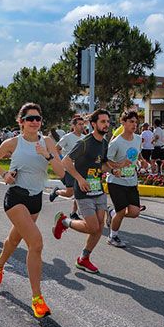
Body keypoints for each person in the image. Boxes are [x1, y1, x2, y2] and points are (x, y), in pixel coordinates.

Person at [0, 102, 64, 318]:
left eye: (38, 118)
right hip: (16, 197)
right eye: (30, 118)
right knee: (36, 243)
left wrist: (47, 155)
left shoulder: (47, 142)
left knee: (14, 241)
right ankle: (37, 298)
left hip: (35, 199)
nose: (35, 122)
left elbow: (61, 171)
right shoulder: (13, 143)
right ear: (20, 122)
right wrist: (4, 174)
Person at [53, 109, 117, 274]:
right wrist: (79, 179)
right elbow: (66, 161)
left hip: (98, 190)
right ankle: (64, 222)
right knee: (92, 227)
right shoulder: (84, 143)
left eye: (108, 122)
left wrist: (112, 168)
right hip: (83, 191)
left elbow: (100, 165)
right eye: (103, 121)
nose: (106, 125)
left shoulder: (104, 142)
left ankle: (83, 258)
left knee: (99, 227)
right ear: (93, 124)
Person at [105, 111, 143, 248]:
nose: (134, 124)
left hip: (132, 181)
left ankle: (112, 212)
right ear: (123, 123)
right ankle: (113, 236)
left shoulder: (138, 139)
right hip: (116, 181)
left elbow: (138, 154)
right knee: (121, 211)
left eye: (136, 122)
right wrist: (119, 166)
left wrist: (142, 161)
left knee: (134, 212)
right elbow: (106, 162)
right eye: (131, 121)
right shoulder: (116, 142)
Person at [50, 117, 85, 220]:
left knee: (79, 191)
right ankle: (56, 191)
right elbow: (57, 149)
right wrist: (62, 160)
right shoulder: (67, 137)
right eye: (79, 124)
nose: (82, 126)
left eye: (83, 124)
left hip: (81, 169)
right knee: (70, 193)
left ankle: (73, 213)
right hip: (69, 168)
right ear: (73, 126)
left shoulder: (85, 137)